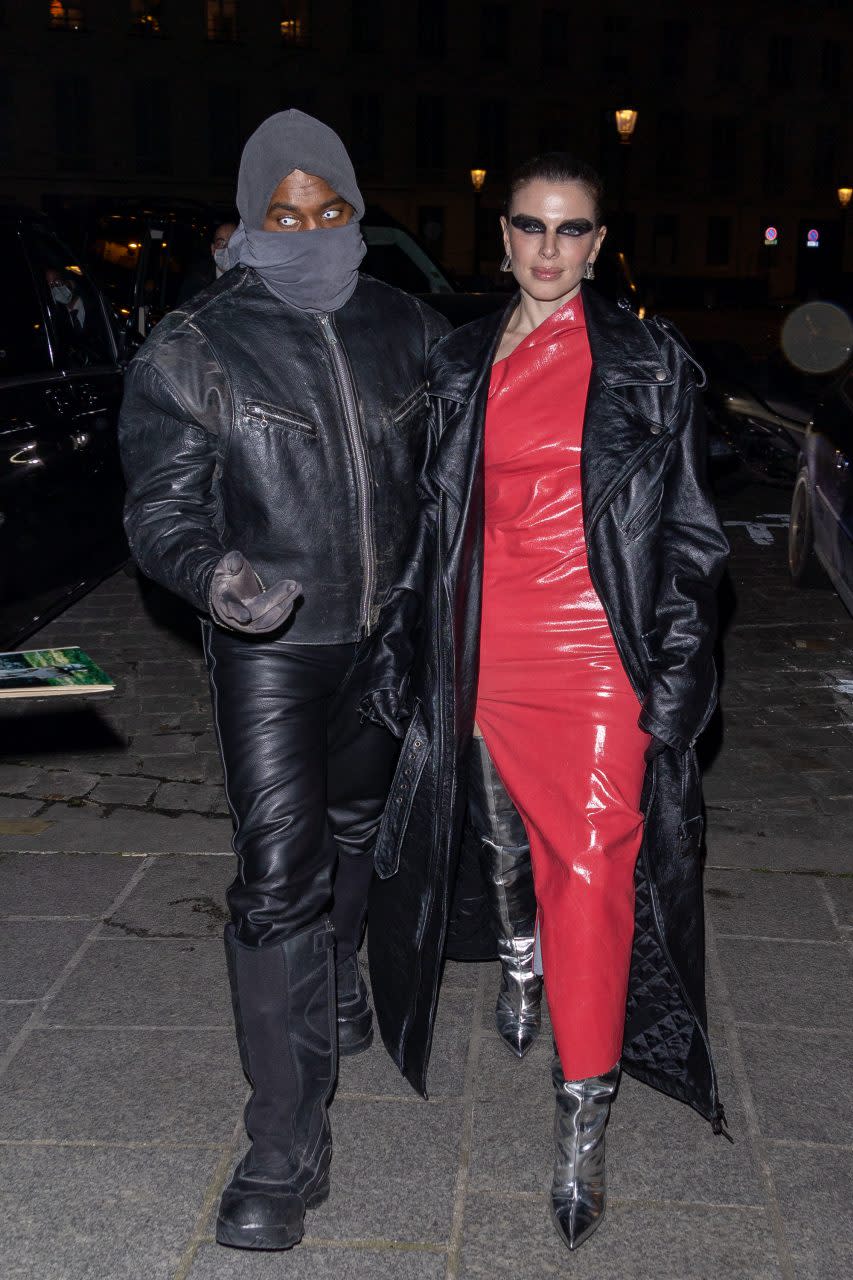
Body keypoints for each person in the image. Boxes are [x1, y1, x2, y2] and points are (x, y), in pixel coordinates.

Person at [363, 152, 730, 1253]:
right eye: (530, 225)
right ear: (504, 234)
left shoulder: (647, 362)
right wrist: (405, 634)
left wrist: (675, 674)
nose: (549, 249)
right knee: (495, 835)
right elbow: (432, 522)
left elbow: (694, 541)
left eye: (573, 231)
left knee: (590, 871)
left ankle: (583, 1115)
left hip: (592, 651)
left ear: (600, 244)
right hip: (481, 640)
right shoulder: (462, 354)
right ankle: (513, 955)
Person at [118, 110, 449, 1253]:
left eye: (329, 212)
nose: (308, 231)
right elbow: (160, 508)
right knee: (275, 876)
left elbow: (457, 487)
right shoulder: (197, 345)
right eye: (284, 214)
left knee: (357, 830)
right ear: (252, 220)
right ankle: (283, 1146)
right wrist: (217, 576)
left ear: (356, 212)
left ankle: (339, 974)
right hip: (269, 646)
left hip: (388, 637)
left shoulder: (410, 327)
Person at [176, 219, 237, 302]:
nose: (227, 248)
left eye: (232, 243)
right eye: (220, 243)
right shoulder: (197, 283)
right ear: (213, 249)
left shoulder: (253, 280)